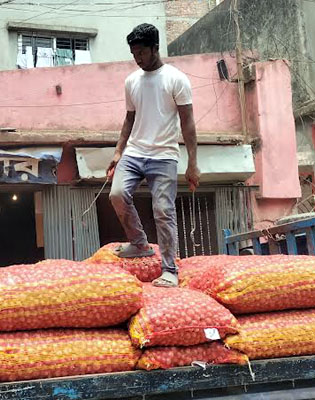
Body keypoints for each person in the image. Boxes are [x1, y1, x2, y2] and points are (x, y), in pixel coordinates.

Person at [107, 23, 199, 288]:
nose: (137, 58)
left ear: (155, 48)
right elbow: (129, 119)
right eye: (133, 53)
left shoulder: (176, 79)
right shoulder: (131, 81)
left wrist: (192, 163)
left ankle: (170, 270)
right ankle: (140, 244)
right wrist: (117, 153)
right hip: (134, 153)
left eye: (141, 52)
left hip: (164, 155)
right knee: (116, 194)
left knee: (163, 210)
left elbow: (188, 123)